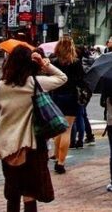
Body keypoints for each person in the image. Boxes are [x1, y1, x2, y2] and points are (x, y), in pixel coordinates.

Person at [0, 46, 66, 212]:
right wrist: (43, 63)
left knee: (12, 191)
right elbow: (62, 78)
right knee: (29, 192)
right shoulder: (33, 83)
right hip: (29, 143)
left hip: (6, 145)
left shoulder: (0, 86)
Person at [47, 36, 83, 174]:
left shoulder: (54, 62)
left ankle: (56, 156)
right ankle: (61, 162)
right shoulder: (76, 62)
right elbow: (81, 80)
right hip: (71, 97)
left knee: (58, 129)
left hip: (56, 96)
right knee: (67, 130)